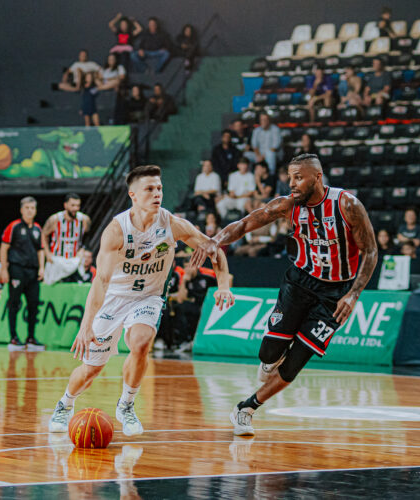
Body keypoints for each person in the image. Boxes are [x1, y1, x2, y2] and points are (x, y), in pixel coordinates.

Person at [191, 153, 378, 437]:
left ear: (317, 177)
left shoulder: (347, 205)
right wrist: (214, 241)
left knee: (295, 363)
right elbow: (244, 224)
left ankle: (246, 408)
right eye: (290, 177)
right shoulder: (288, 205)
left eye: (298, 178)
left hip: (335, 293)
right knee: (269, 352)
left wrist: (353, 295)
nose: (291, 184)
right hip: (300, 282)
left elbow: (371, 251)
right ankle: (269, 361)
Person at [47, 164, 234, 436]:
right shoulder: (116, 230)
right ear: (133, 195)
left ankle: (126, 405)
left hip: (149, 296)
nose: (157, 193)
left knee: (141, 342)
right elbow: (100, 281)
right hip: (115, 298)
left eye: (159, 188)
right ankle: (65, 404)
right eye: (149, 189)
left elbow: (212, 248)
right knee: (91, 370)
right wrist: (86, 325)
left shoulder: (172, 224)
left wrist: (223, 285)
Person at [0, 197, 45, 350]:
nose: (30, 210)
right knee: (14, 303)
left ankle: (31, 338)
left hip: (33, 271)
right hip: (17, 269)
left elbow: (41, 250)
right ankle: (13, 337)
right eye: (27, 208)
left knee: (33, 304)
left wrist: (42, 268)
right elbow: (3, 248)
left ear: (36, 210)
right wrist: (4, 269)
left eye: (33, 208)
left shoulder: (38, 228)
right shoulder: (14, 226)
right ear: (21, 210)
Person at [42, 193, 92, 284]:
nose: (75, 208)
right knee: (54, 286)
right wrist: (47, 253)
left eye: (78, 205)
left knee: (77, 285)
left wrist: (82, 249)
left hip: (74, 260)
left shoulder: (84, 219)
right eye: (72, 205)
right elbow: (44, 234)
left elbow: (88, 235)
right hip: (57, 259)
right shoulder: (55, 219)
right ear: (65, 205)